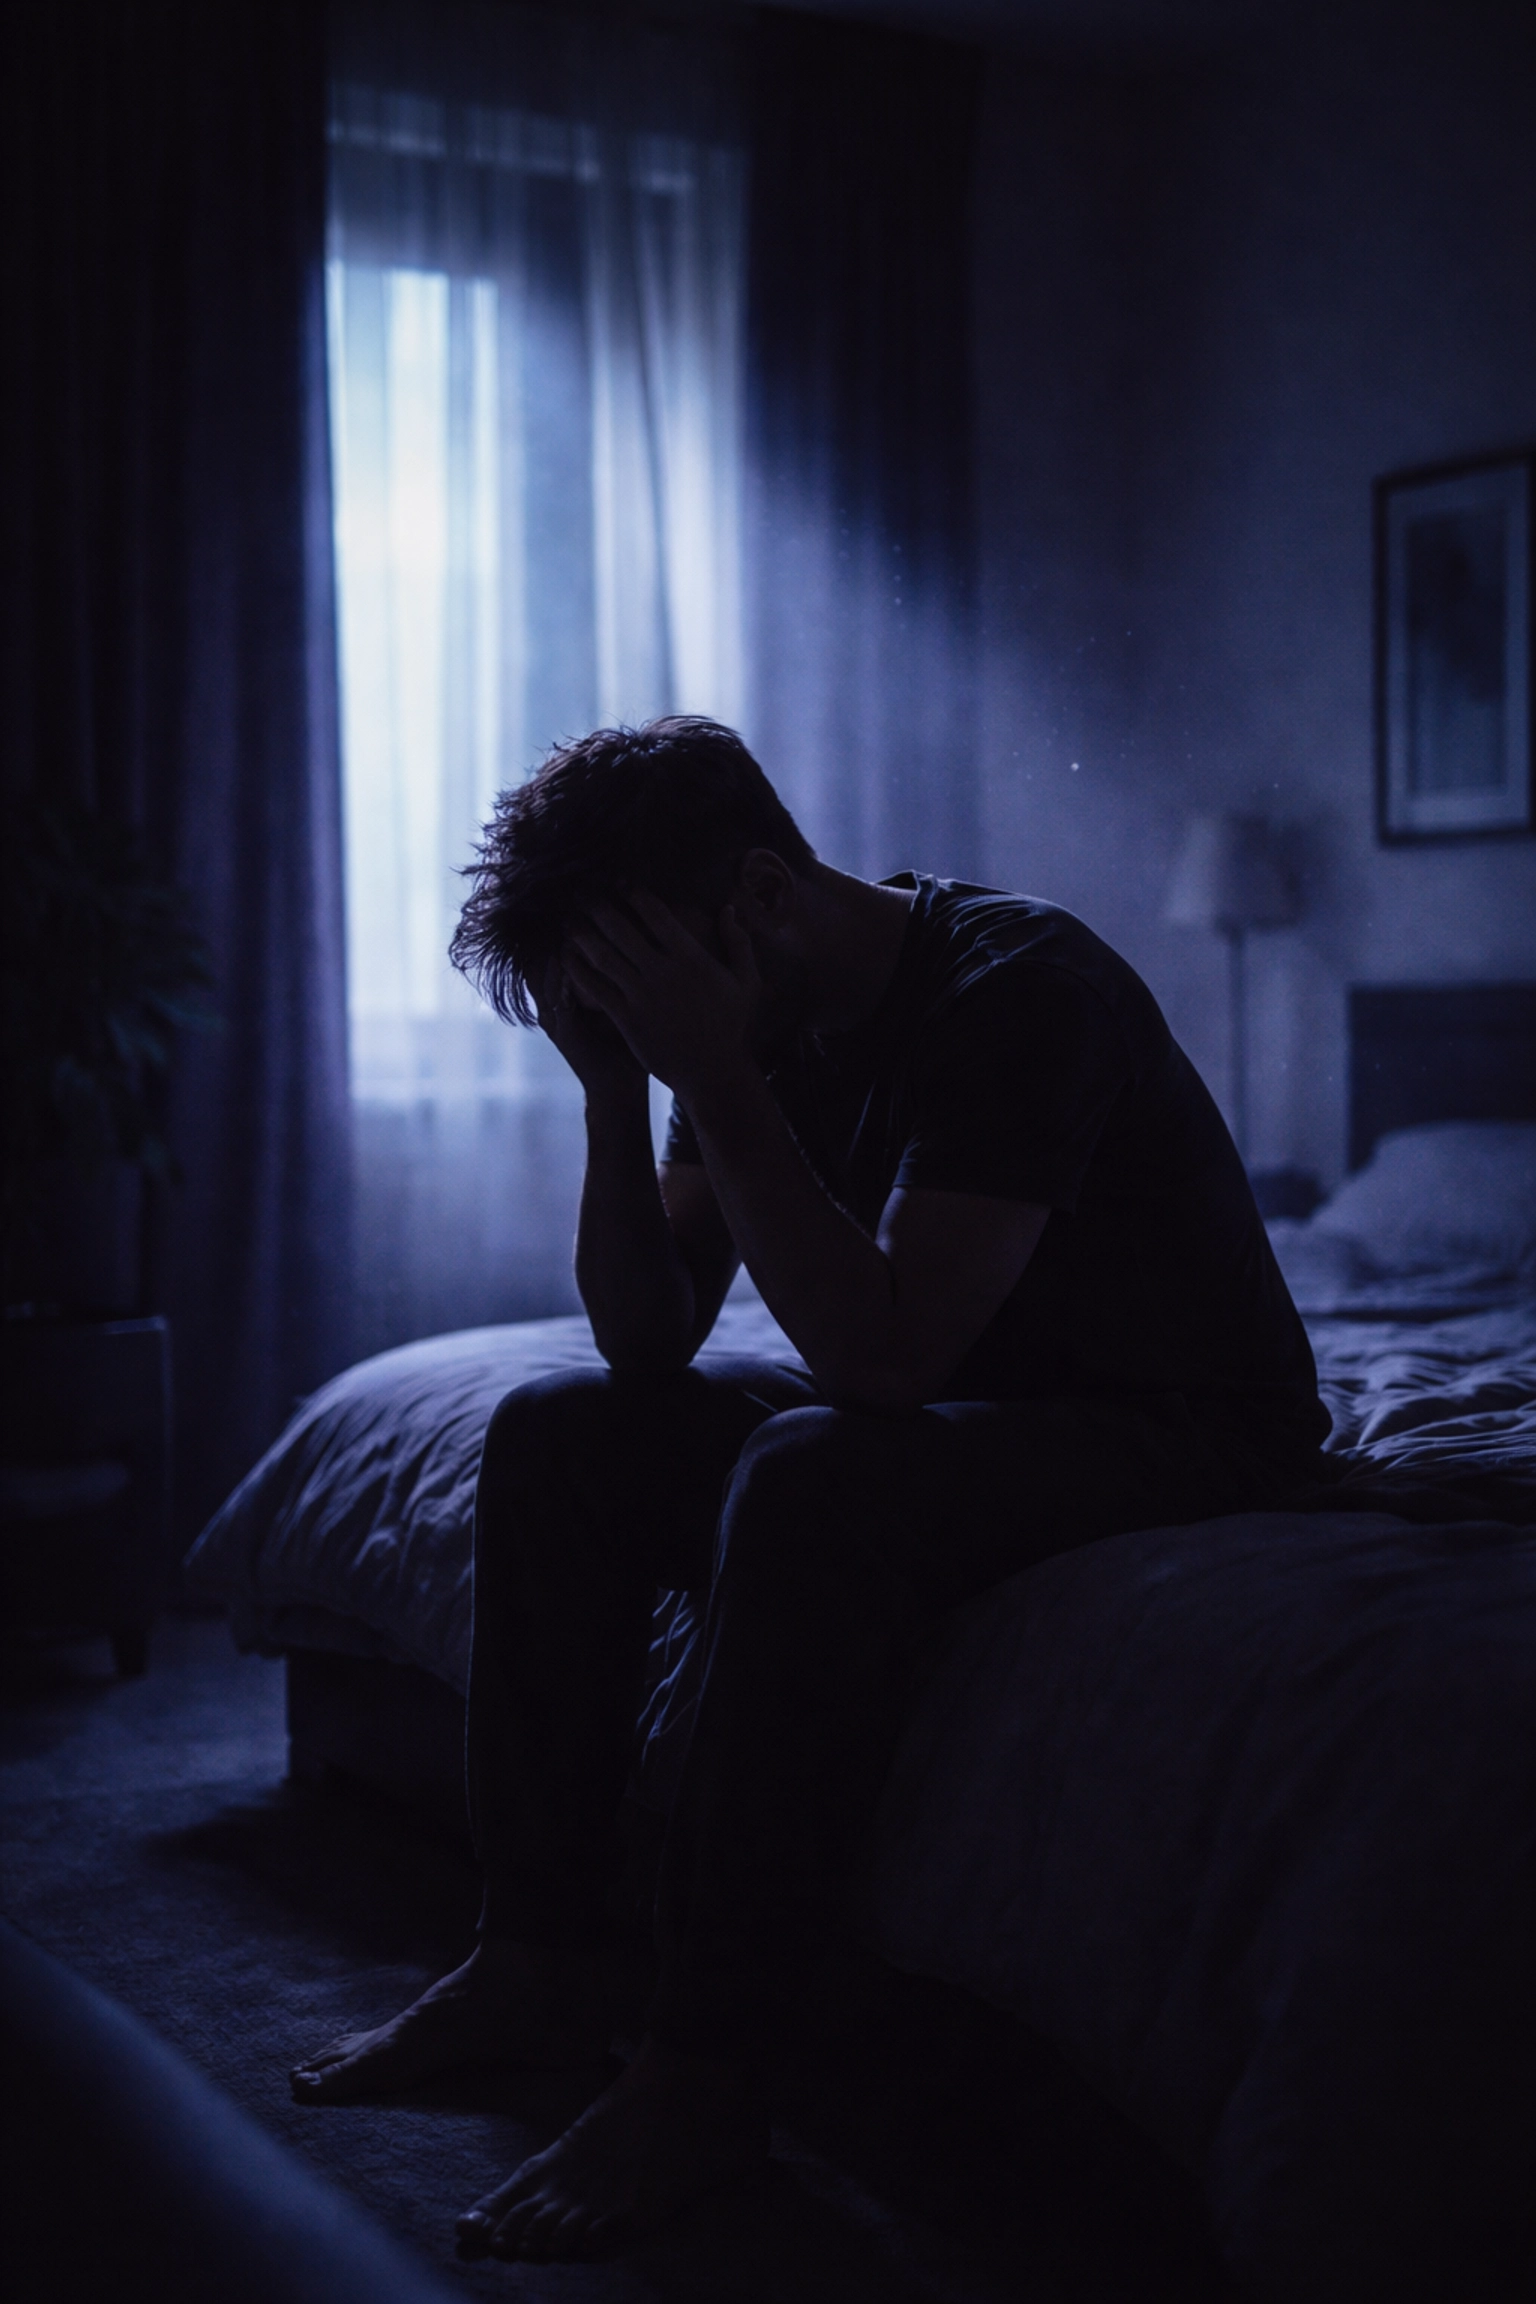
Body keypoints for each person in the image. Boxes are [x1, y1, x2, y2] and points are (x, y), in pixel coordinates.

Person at [290, 716, 1328, 2262]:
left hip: (1181, 1419)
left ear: (761, 893)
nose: (649, 1032)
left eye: (642, 997)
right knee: (561, 1434)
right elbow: (648, 1334)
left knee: (815, 1475)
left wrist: (708, 1064)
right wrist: (619, 1091)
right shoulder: (747, 1014)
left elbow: (881, 1363)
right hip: (979, 1390)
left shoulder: (1017, 990)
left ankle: (706, 2071)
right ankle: (540, 1956)